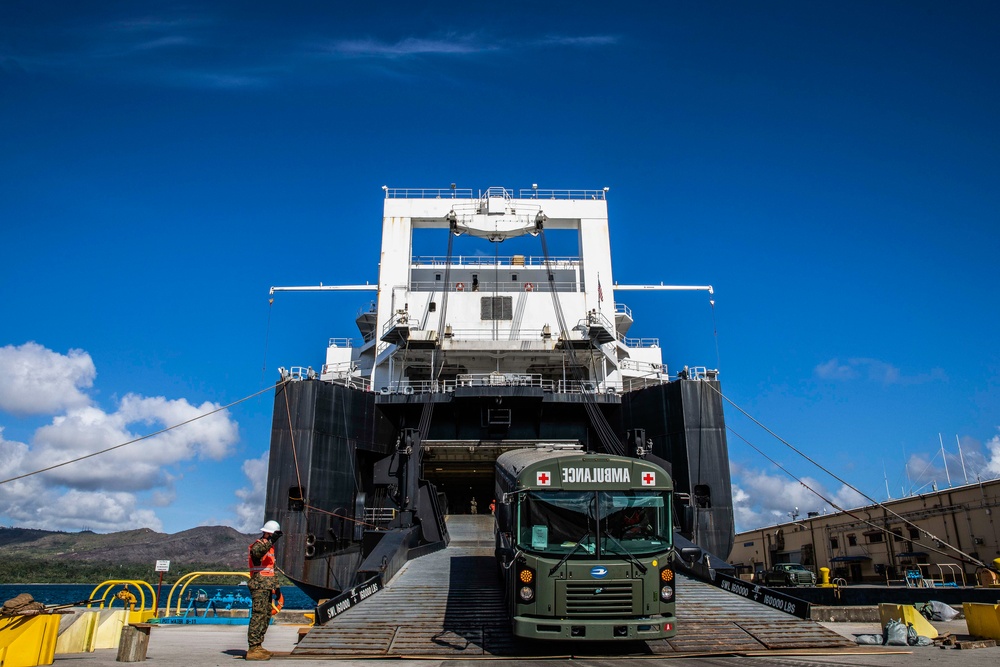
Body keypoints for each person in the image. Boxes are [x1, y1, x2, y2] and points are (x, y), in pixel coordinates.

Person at [246, 520, 282, 661]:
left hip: (267, 586)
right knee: (258, 615)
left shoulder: (269, 548)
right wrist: (270, 541)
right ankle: (253, 647)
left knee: (266, 615)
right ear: (267, 533)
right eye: (273, 535)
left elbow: (271, 570)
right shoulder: (258, 545)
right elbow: (257, 553)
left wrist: (276, 587)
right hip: (259, 586)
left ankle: (258, 645)